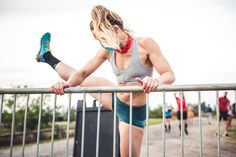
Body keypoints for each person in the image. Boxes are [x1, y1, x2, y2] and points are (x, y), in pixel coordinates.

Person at [36, 5, 175, 157]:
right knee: (73, 75)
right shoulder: (108, 50)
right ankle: (47, 56)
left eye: (102, 39)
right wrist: (68, 84)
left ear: (116, 30)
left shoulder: (145, 44)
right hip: (114, 96)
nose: (101, 44)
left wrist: (155, 81)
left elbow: (169, 74)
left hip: (131, 114)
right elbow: (82, 73)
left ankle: (47, 57)